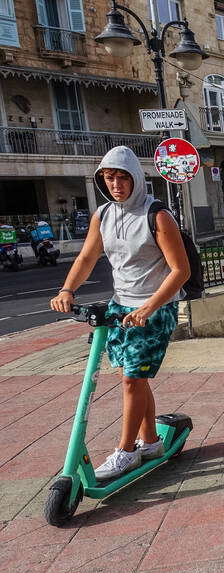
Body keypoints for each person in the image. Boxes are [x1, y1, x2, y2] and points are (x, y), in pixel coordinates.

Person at [50, 146, 191, 481]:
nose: (116, 184)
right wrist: (67, 290)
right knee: (133, 378)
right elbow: (86, 258)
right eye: (109, 178)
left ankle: (126, 451)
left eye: (122, 177)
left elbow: (180, 271)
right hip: (120, 307)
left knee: (131, 379)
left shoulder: (157, 216)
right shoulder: (103, 216)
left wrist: (150, 306)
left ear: (136, 179)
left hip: (155, 308)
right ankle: (152, 442)